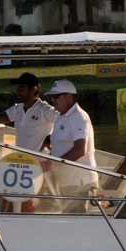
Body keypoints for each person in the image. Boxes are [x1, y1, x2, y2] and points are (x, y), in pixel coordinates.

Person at [43, 79, 97, 213]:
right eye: (52, 97)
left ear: (69, 97)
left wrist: (51, 163)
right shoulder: (61, 117)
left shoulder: (78, 117)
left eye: (56, 96)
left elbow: (80, 150)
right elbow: (61, 146)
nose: (52, 100)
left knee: (77, 227)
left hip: (79, 185)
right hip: (68, 184)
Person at [0, 72, 58, 152]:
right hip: (21, 162)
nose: (17, 91)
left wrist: (50, 138)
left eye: (21, 88)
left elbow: (65, 122)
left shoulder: (45, 110)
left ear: (33, 89)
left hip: (42, 164)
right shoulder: (17, 109)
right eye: (17, 88)